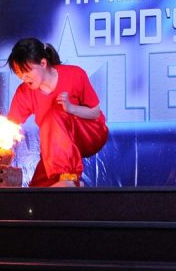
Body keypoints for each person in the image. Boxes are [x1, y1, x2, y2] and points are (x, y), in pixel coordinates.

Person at [6, 37, 108, 187]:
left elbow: (95, 112)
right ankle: (71, 184)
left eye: (27, 71)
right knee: (36, 192)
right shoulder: (24, 92)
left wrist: (71, 108)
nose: (23, 77)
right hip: (60, 147)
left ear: (43, 63)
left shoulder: (75, 74)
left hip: (90, 133)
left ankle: (69, 179)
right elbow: (10, 127)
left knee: (55, 113)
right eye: (18, 73)